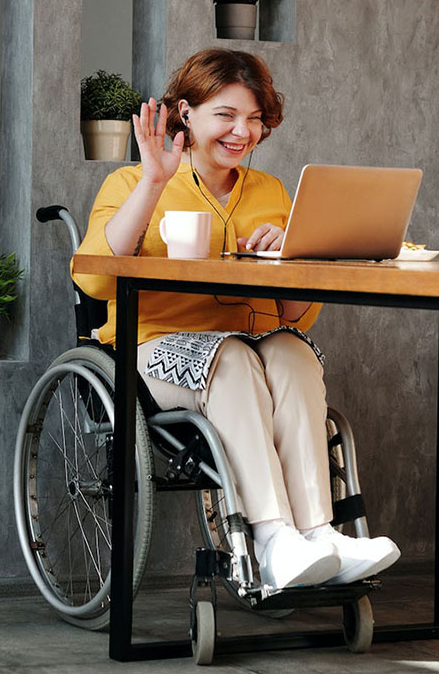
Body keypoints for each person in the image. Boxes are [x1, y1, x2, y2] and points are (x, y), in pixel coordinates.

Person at [71, 48, 399, 589]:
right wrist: (154, 182)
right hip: (153, 352)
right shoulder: (131, 183)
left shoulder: (270, 192)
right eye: (225, 114)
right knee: (235, 357)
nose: (242, 131)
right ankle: (272, 538)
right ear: (187, 114)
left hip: (250, 351)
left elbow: (296, 315)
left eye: (254, 118)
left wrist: (290, 257)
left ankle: (318, 535)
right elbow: (96, 281)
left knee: (292, 351)